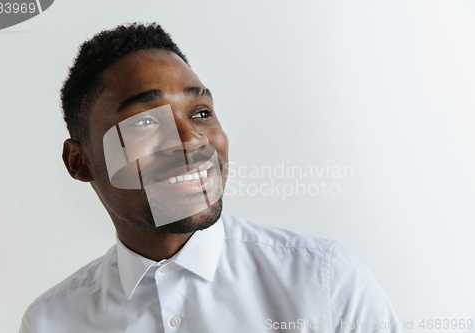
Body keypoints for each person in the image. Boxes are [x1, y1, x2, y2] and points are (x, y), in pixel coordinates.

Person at [20, 22, 402, 333]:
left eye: (201, 113)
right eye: (147, 121)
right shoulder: (51, 321)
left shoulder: (325, 282)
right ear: (79, 162)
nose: (189, 141)